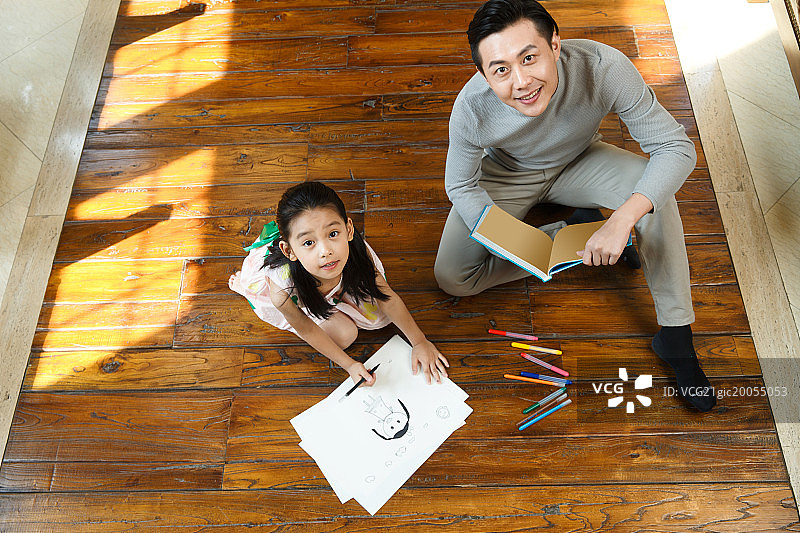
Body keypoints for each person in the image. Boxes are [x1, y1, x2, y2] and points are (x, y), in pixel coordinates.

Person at [434, 0, 715, 411]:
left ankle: (675, 335)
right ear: (483, 74)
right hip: (509, 175)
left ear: (555, 45)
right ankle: (575, 231)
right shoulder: (472, 108)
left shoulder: (604, 66)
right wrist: (513, 238)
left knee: (655, 197)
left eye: (529, 58)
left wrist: (622, 219)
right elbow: (460, 183)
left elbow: (674, 147)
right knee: (453, 278)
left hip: (580, 161)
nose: (522, 81)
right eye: (500, 70)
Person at [229, 181, 449, 385]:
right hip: (300, 292)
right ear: (289, 250)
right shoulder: (282, 289)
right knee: (344, 336)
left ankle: (335, 291)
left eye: (333, 233)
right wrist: (349, 365)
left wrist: (419, 341)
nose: (326, 251)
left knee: (379, 318)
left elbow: (387, 296)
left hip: (337, 281)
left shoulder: (355, 252)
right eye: (308, 242)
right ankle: (247, 288)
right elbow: (306, 328)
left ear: (349, 229)